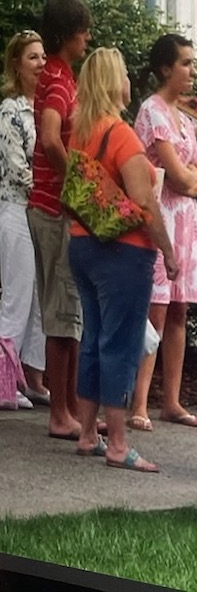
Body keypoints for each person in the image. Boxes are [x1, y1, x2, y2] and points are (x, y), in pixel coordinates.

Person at [67, 48, 177, 472]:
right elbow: (144, 201)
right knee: (121, 342)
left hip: (82, 245)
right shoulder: (122, 135)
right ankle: (117, 442)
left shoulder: (82, 131)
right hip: (124, 251)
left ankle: (87, 432)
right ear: (116, 81)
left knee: (93, 337)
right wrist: (168, 250)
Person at [129, 35, 197, 433]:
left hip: (186, 221)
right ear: (165, 68)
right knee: (156, 310)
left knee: (179, 310)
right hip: (161, 218)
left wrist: (193, 181)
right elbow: (177, 174)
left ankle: (173, 401)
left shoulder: (182, 117)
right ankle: (139, 401)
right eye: (185, 63)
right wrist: (192, 180)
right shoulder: (153, 112)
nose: (192, 70)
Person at [28, 0, 91, 440]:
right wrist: (77, 185)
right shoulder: (57, 82)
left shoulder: (60, 76)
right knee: (62, 312)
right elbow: (51, 137)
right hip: (55, 208)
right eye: (84, 30)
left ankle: (69, 408)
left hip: (51, 205)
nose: (88, 38)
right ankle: (60, 413)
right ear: (68, 33)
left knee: (69, 313)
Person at [0, 31, 47, 406]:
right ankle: (3, 380)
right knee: (17, 295)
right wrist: (50, 190)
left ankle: (31, 376)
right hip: (16, 208)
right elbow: (18, 168)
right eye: (33, 57)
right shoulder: (10, 111)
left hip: (41, 211)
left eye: (43, 57)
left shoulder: (45, 109)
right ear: (17, 64)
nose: (41, 64)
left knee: (38, 298)